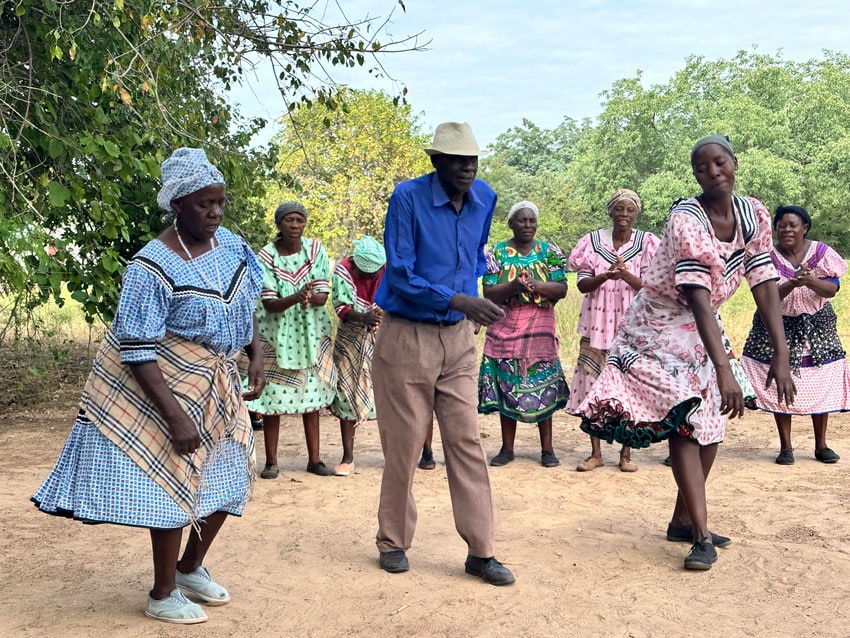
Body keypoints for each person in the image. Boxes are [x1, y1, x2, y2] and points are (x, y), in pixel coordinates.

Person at [31, 148, 265, 624]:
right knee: (174, 481)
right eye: (204, 204)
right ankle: (162, 594)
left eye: (219, 202)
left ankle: (189, 568)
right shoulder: (151, 265)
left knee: (231, 474)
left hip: (217, 380)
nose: (215, 213)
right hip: (166, 381)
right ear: (177, 205)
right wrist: (175, 416)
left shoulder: (232, 248)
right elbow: (137, 348)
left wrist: (255, 352)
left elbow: (248, 305)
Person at [573, 135, 796, 571]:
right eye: (701, 167)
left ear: (734, 163)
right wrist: (723, 368)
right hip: (656, 325)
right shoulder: (685, 219)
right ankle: (701, 535)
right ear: (694, 174)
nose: (712, 172)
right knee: (687, 417)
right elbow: (694, 294)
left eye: (719, 163)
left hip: (701, 324)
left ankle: (681, 520)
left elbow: (764, 281)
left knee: (711, 425)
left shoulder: (754, 214)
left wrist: (780, 353)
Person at [372, 121, 515, 585]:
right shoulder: (408, 198)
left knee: (467, 441)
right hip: (406, 334)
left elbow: (474, 253)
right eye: (457, 160)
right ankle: (393, 541)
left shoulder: (485, 198)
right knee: (405, 444)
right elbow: (399, 275)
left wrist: (469, 301)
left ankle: (481, 551)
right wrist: (457, 298)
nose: (467, 168)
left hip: (457, 338)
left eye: (472, 160)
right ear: (437, 162)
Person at [742, 205, 850, 465]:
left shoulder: (821, 253)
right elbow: (767, 298)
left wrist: (810, 280)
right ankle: (786, 447)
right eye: (781, 225)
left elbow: (832, 289)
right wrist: (791, 283)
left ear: (805, 229)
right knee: (781, 381)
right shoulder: (766, 257)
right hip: (777, 327)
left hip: (817, 327)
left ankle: (821, 445)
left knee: (821, 378)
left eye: (793, 225)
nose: (786, 229)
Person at [566, 189, 660, 473]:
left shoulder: (647, 243)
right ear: (610, 211)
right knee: (593, 387)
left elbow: (651, 287)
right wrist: (604, 276)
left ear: (637, 214)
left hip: (631, 329)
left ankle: (626, 453)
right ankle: (595, 453)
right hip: (596, 328)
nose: (624, 215)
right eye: (619, 209)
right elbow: (582, 285)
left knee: (628, 389)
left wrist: (625, 275)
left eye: (630, 210)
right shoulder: (592, 243)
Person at [247, 201, 337, 478]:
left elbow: (323, 296)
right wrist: (296, 297)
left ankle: (315, 459)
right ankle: (271, 461)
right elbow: (270, 303)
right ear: (279, 224)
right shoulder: (265, 256)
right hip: (277, 338)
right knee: (272, 401)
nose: (295, 226)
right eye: (289, 220)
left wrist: (310, 297)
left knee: (311, 397)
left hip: (309, 337)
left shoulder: (315, 250)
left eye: (300, 220)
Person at [478, 200, 569, 468]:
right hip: (504, 325)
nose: (527, 225)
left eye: (531, 221)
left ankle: (547, 449)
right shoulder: (496, 252)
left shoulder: (548, 250)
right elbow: (489, 292)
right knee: (508, 385)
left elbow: (562, 288)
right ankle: (507, 449)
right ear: (511, 224)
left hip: (539, 326)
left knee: (545, 384)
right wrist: (515, 286)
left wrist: (538, 285)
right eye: (521, 220)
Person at [329, 235, 386, 476]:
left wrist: (379, 315)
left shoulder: (385, 269)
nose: (373, 277)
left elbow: (392, 298)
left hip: (381, 334)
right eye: (368, 273)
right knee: (345, 390)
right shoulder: (343, 271)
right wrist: (364, 318)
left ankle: (392, 454)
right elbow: (342, 308)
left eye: (376, 272)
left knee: (387, 393)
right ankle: (348, 457)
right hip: (350, 337)